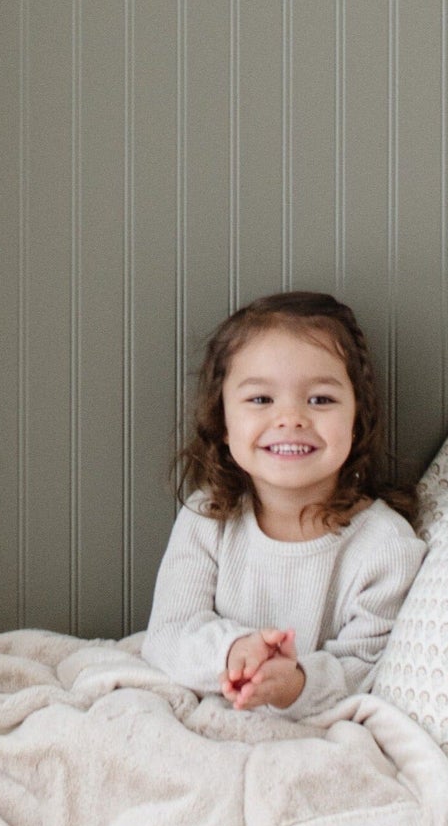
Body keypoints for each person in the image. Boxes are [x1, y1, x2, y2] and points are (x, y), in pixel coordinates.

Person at [141, 291, 426, 718]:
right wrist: (235, 650)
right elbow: (167, 634)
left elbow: (366, 667)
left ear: (357, 419)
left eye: (320, 400)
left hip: (310, 727)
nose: (291, 418)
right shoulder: (208, 519)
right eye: (261, 400)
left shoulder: (386, 547)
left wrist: (294, 684)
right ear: (222, 422)